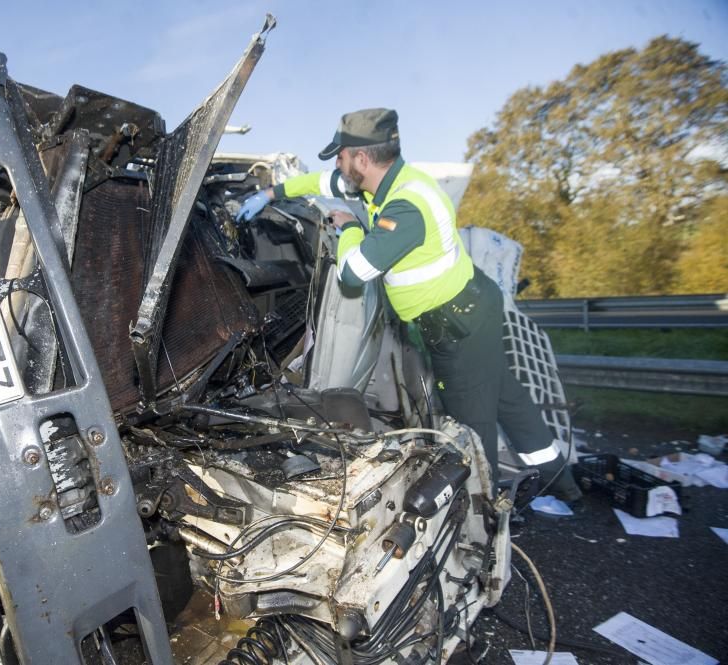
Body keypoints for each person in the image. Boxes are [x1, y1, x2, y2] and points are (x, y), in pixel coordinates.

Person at [236, 108, 581, 501]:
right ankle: (562, 486)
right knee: (509, 401)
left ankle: (482, 515)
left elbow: (354, 273)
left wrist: (347, 225)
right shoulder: (387, 181)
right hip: (471, 309)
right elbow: (323, 180)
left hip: (459, 326)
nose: (337, 163)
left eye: (342, 156)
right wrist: (270, 193)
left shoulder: (406, 207)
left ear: (362, 159)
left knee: (471, 427)